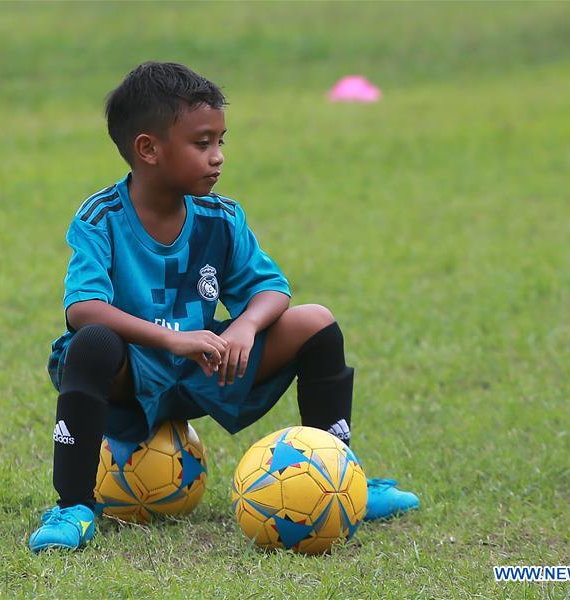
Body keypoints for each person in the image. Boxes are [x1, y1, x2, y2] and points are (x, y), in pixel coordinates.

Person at [29, 62, 419, 552]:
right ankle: (73, 507)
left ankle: (341, 478)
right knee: (90, 343)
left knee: (315, 323)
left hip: (207, 366)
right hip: (132, 376)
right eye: (201, 143)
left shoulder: (221, 216)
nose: (217, 158)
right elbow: (82, 308)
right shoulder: (100, 217)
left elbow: (273, 289)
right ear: (148, 149)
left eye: (221, 142)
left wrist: (246, 329)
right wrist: (174, 338)